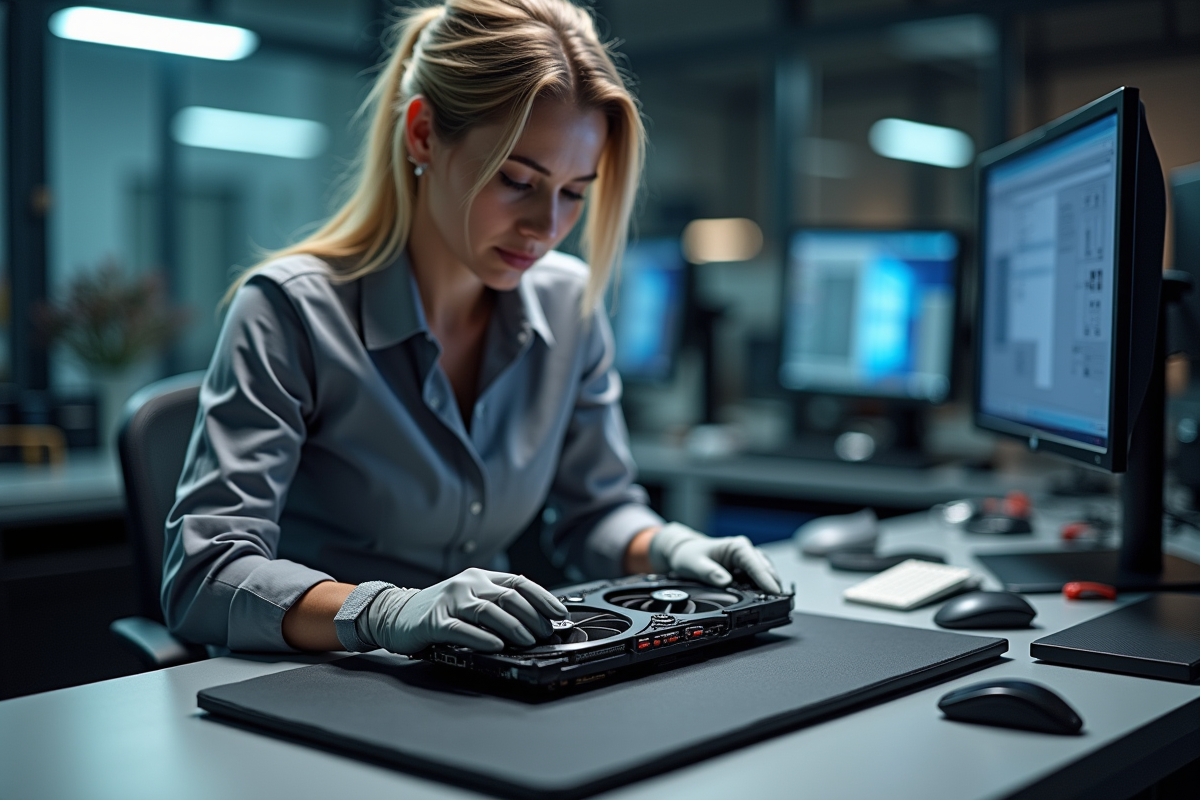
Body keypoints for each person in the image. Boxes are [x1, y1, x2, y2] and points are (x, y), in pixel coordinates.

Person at [162, 0, 782, 657]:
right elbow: (205, 575)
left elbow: (595, 512)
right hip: (313, 682)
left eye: (574, 192)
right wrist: (385, 611)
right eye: (518, 180)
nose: (547, 229)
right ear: (423, 134)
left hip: (482, 684)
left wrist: (669, 544)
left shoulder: (570, 307)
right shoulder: (289, 311)